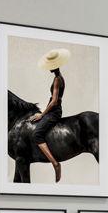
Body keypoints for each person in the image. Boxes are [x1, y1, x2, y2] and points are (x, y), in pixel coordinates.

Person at [25, 48, 70, 181]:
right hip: (53, 110)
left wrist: (42, 114)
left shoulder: (57, 79)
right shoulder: (59, 78)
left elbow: (55, 101)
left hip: (54, 111)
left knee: (37, 134)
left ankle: (55, 164)